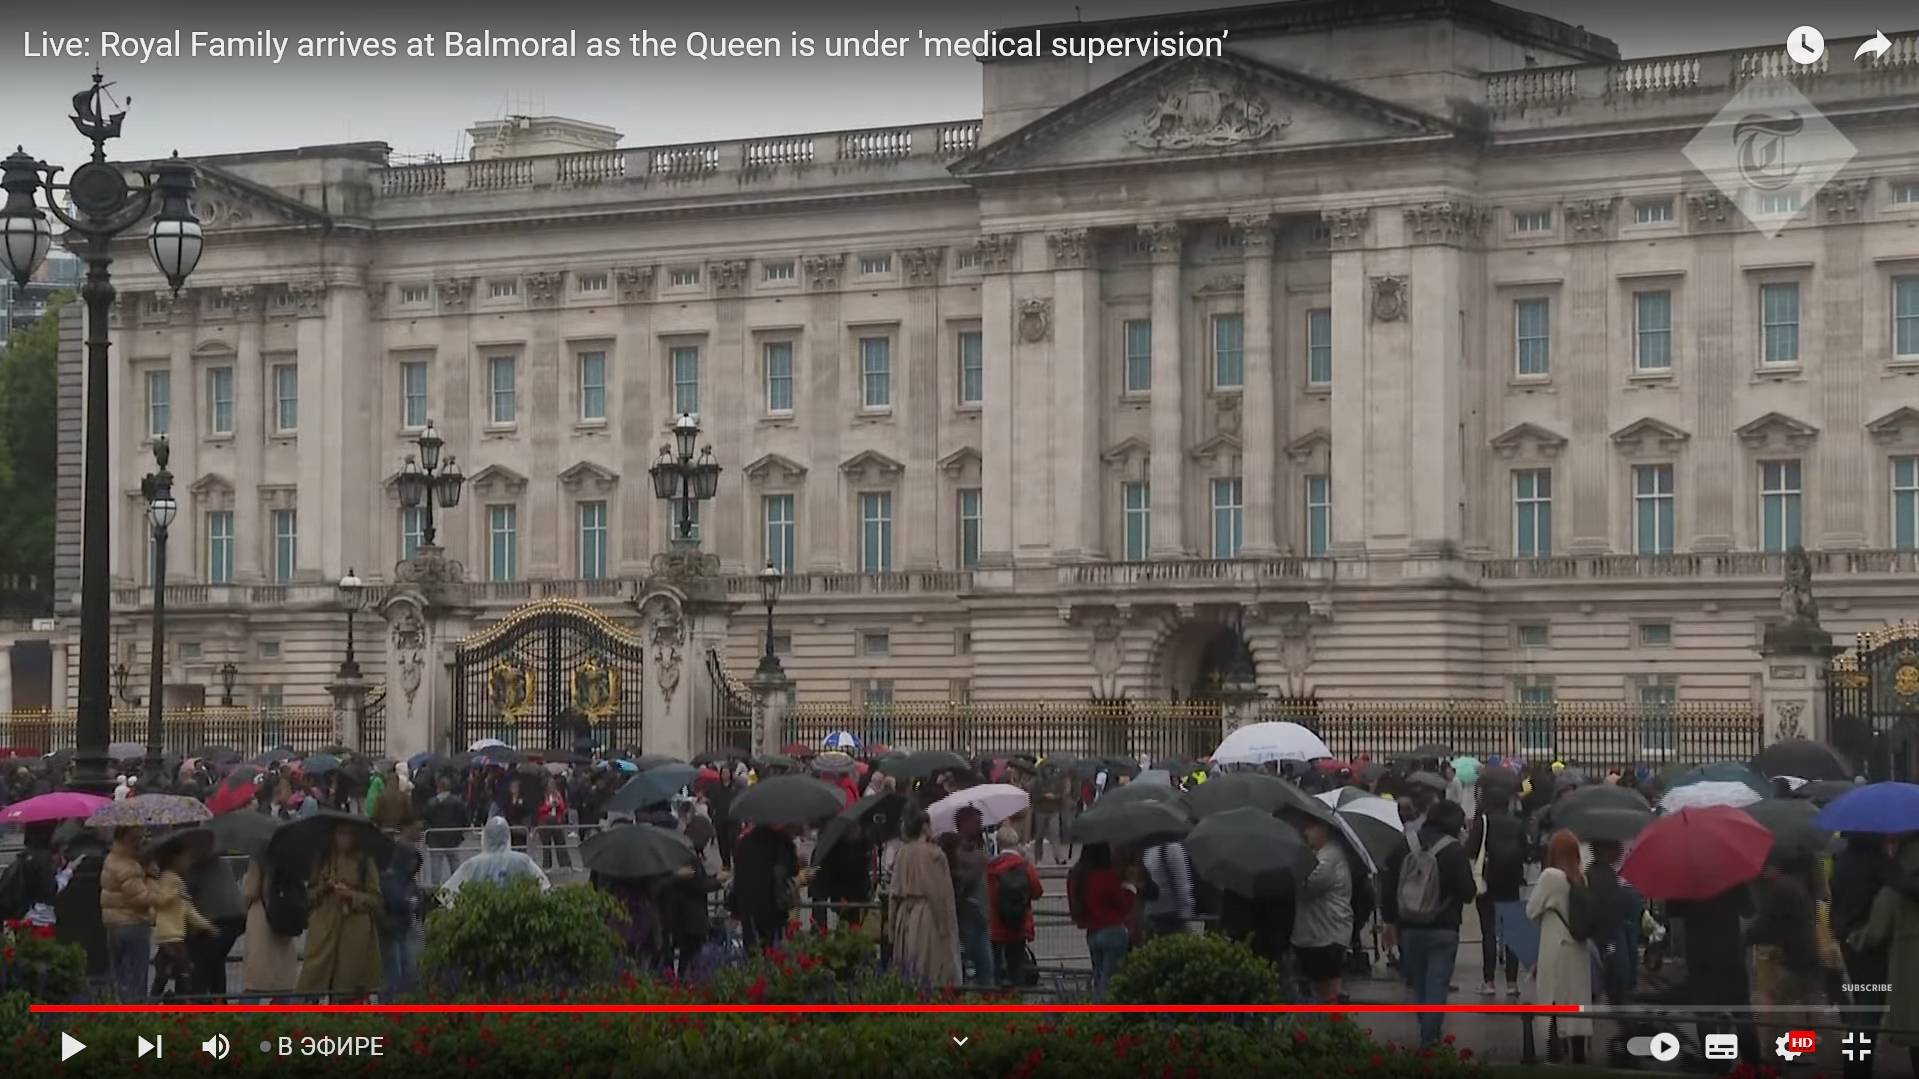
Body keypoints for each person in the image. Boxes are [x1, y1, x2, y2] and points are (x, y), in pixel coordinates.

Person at [1381, 799, 1475, 1049]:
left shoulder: (1405, 844)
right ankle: (1429, 1039)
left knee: (1420, 986)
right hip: (1443, 927)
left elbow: (1388, 883)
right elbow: (1468, 892)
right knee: (1437, 985)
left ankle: (1427, 1029)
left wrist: (1389, 920)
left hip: (1409, 926)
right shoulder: (1454, 850)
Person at [1847, 834, 1919, 1079]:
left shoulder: (1896, 885)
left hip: (1910, 971)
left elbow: (1875, 933)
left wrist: (1854, 938)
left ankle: (1855, 1070)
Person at [1748, 855, 1829, 1063]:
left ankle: (1779, 1055)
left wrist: (1746, 937)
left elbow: (1770, 923)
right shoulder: (1802, 884)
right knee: (1807, 1001)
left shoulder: (1782, 888)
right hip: (1807, 950)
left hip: (1794, 954)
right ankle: (1804, 1053)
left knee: (1779, 1002)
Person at [1668, 881, 1758, 1067]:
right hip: (1729, 950)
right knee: (1739, 1007)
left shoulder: (1683, 877)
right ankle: (1751, 1059)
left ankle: (1718, 1062)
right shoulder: (1732, 875)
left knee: (1706, 1009)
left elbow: (1673, 910)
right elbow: (1749, 909)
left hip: (1699, 952)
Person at [1525, 830, 1594, 1062]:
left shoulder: (1550, 876)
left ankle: (1555, 1051)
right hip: (1578, 949)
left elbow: (1531, 911)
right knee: (1575, 1000)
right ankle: (1578, 1054)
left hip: (1555, 945)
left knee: (1553, 997)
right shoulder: (1581, 878)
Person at [297, 822, 384, 995]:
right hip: (324, 929)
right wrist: (323, 887)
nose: (344, 839)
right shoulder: (322, 859)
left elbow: (376, 899)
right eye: (340, 834)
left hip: (353, 930)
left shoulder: (364, 861)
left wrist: (350, 894)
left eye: (349, 834)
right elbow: (309, 896)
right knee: (312, 981)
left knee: (348, 987)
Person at [1465, 784, 1528, 997]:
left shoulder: (1483, 822)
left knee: (1489, 932)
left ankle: (1489, 981)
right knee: (1511, 933)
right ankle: (1512, 983)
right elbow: (1526, 852)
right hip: (1511, 882)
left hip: (1488, 881)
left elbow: (1471, 850)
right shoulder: (1517, 823)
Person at [887, 807, 961, 988]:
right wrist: (945, 926)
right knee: (929, 964)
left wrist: (892, 922)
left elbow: (894, 892)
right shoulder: (934, 854)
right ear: (924, 827)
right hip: (927, 914)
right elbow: (940, 893)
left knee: (909, 965)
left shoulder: (902, 853)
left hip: (905, 913)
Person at [1294, 817, 1353, 1005]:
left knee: (1326, 989)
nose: (1306, 832)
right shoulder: (1323, 854)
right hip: (1319, 933)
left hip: (1326, 934)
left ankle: (1332, 1026)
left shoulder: (1329, 857)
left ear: (1324, 829)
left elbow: (1309, 885)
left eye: (1311, 827)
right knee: (1321, 988)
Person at [100, 825, 159, 1001]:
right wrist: (152, 879)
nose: (140, 842)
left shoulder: (112, 859)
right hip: (133, 924)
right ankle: (135, 1018)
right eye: (137, 838)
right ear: (126, 837)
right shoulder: (128, 866)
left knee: (120, 980)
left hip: (114, 926)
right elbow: (141, 899)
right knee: (136, 980)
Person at [148, 840, 213, 998]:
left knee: (173, 974)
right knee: (179, 972)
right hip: (169, 935)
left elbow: (186, 908)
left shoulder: (175, 880)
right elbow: (160, 901)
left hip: (175, 934)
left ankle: (165, 1005)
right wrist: (176, 894)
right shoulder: (167, 879)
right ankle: (158, 1005)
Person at [1067, 842, 1135, 990]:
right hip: (1112, 930)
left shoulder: (1077, 875)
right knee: (1111, 980)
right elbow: (1123, 906)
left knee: (1099, 977)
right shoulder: (1107, 876)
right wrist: (1129, 888)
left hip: (1091, 932)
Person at [185, 836, 247, 996]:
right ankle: (219, 1005)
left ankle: (198, 1008)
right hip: (237, 919)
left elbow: (186, 899)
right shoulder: (220, 862)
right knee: (216, 962)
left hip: (217, 920)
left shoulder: (195, 867)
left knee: (202, 968)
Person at [940, 805, 994, 987]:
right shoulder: (956, 851)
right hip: (967, 916)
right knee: (977, 968)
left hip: (980, 916)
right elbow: (961, 879)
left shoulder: (975, 850)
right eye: (975, 822)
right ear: (963, 824)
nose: (979, 826)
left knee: (985, 968)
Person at [985, 824, 1043, 989]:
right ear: (1017, 843)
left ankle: (996, 1004)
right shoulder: (1025, 866)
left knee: (995, 970)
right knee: (1016, 968)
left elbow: (988, 895)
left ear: (999, 843)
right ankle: (1018, 1002)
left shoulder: (991, 867)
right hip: (1019, 924)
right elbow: (1037, 892)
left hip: (996, 926)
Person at [440, 816, 551, 902]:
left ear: (485, 837)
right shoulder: (523, 861)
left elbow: (447, 894)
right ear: (508, 836)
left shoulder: (472, 864)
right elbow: (545, 888)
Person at [729, 823, 798, 951]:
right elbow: (792, 870)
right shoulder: (782, 841)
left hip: (747, 906)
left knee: (752, 950)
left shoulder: (744, 843)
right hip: (772, 906)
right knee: (773, 950)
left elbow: (738, 873)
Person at [240, 858, 300, 994]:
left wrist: (245, 881)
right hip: (283, 914)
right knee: (283, 977)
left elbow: (251, 891)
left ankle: (247, 1014)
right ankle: (284, 1012)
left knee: (255, 978)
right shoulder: (289, 858)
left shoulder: (258, 857)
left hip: (261, 915)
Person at [380, 819, 426, 997]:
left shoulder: (407, 879)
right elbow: (394, 900)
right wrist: (410, 903)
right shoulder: (391, 877)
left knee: (409, 971)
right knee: (394, 973)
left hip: (406, 927)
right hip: (394, 930)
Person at [1140, 837, 1194, 939]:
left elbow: (1182, 885)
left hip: (1171, 918)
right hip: (1150, 918)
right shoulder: (1145, 850)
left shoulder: (1171, 847)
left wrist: (1186, 917)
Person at [422, 777, 473, 884]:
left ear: (438, 788)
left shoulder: (431, 803)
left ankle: (435, 888)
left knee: (436, 866)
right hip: (453, 838)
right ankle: (458, 885)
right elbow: (465, 818)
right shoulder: (457, 802)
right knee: (454, 863)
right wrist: (461, 831)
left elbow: (425, 819)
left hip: (435, 839)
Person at [537, 775, 571, 871]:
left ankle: (565, 865)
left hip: (556, 820)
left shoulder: (558, 794)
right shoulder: (541, 796)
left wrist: (558, 805)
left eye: (553, 784)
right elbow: (538, 809)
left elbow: (563, 807)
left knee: (560, 843)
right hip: (544, 821)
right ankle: (547, 866)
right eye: (550, 784)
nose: (552, 786)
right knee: (546, 845)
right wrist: (548, 806)